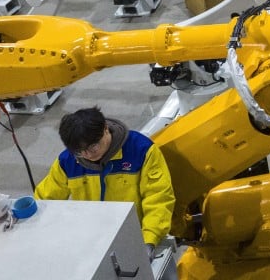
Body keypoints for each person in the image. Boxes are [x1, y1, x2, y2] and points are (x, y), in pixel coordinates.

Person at [34, 107, 175, 253]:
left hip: (135, 236)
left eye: (93, 146)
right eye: (80, 151)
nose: (88, 155)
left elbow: (158, 197)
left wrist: (149, 240)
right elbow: (45, 199)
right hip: (91, 240)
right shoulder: (67, 161)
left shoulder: (141, 151)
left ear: (105, 129)